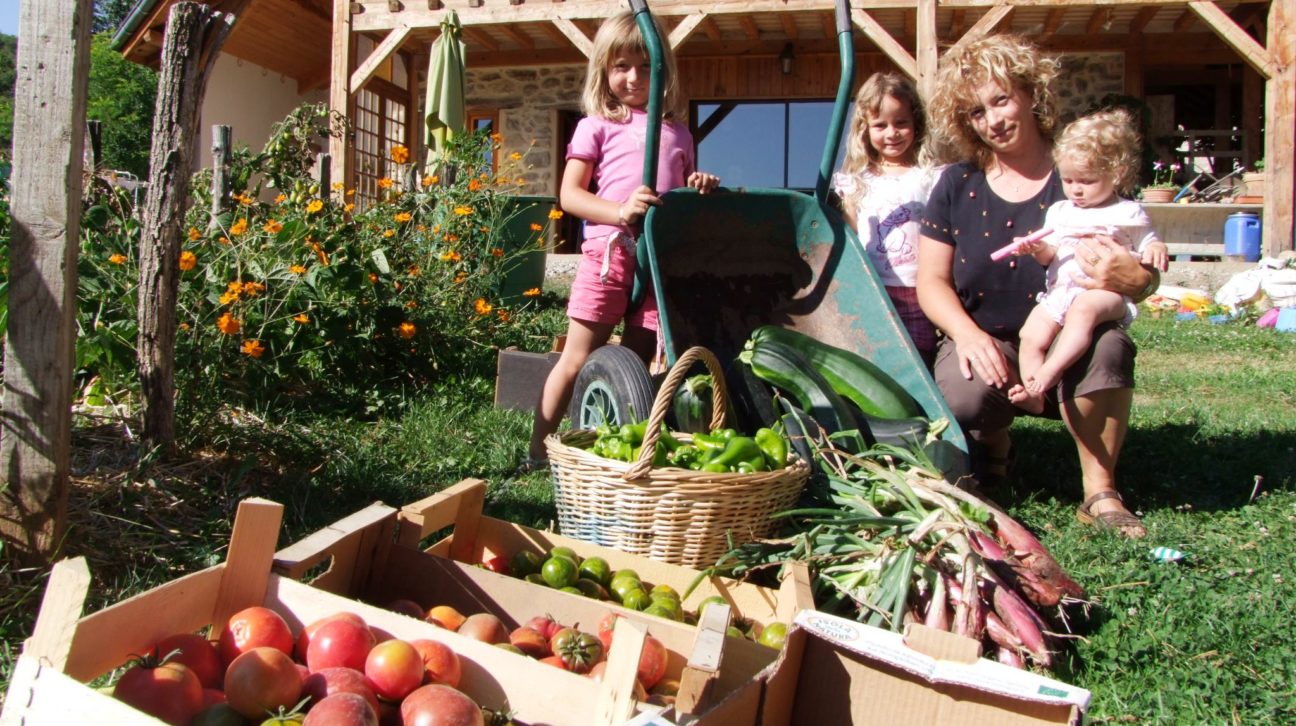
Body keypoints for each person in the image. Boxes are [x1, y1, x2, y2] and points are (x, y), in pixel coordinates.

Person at [916, 35, 1160, 538]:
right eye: (977, 113)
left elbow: (1141, 264)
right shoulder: (957, 184)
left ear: (1029, 93)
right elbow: (931, 281)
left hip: (1073, 329)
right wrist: (966, 334)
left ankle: (1100, 490)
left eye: (1001, 100)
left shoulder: (1082, 171)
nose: (994, 120)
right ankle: (995, 445)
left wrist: (1138, 279)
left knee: (1109, 346)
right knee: (962, 392)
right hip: (991, 338)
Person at [525, 12, 720, 466]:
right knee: (577, 356)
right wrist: (618, 212)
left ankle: (615, 442)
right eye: (622, 66)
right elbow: (570, 195)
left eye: (647, 66)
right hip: (609, 253)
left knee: (637, 356)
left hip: (659, 259)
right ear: (604, 70)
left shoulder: (679, 132)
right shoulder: (596, 125)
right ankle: (537, 451)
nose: (635, 77)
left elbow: (678, 191)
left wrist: (699, 184)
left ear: (664, 72)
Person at [1006, 109, 1170, 413]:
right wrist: (1036, 247)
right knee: (1030, 334)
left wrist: (1156, 248)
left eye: (1086, 180)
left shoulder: (1127, 212)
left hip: (1105, 294)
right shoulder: (1061, 211)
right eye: (1068, 180)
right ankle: (1034, 394)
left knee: (1083, 311)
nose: (1076, 189)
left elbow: (1149, 241)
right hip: (1060, 292)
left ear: (1116, 173)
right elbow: (1050, 254)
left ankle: (1049, 374)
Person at [833, 72, 944, 368]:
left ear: (915, 123)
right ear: (864, 129)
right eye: (880, 125)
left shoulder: (929, 177)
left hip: (919, 288)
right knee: (878, 357)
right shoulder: (857, 182)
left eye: (901, 123)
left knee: (919, 356)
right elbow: (853, 236)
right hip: (876, 288)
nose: (892, 133)